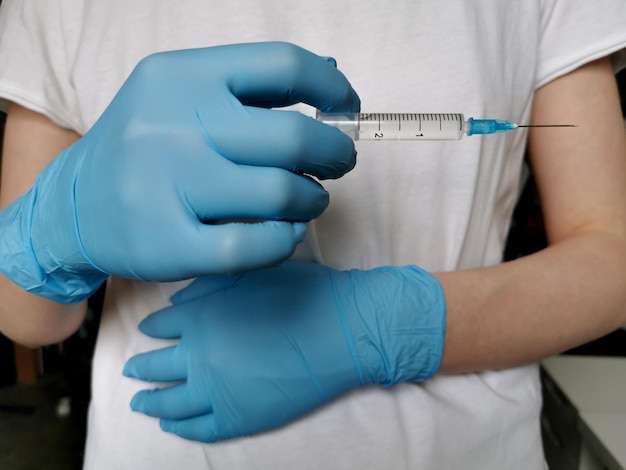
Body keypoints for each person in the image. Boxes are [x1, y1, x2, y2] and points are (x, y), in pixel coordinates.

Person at [1, 0, 626, 468]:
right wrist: (56, 227)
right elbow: (22, 313)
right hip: (165, 435)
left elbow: (612, 256)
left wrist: (390, 324)